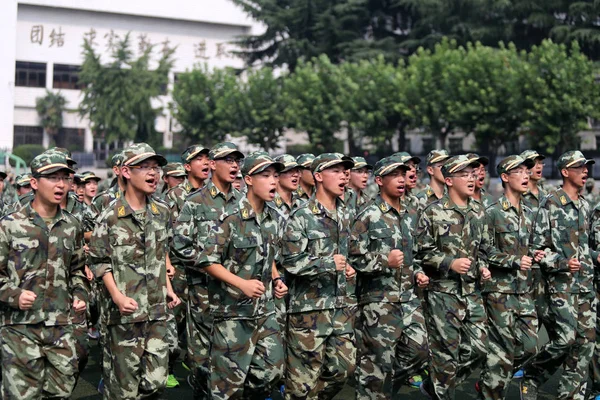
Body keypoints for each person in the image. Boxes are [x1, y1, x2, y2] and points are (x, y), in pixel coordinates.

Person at [89, 143, 181, 399]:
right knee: (124, 390)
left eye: (156, 167)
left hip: (156, 312)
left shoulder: (161, 211)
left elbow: (160, 254)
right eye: (146, 167)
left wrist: (169, 289)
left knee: (156, 383)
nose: (154, 173)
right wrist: (117, 297)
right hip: (124, 316)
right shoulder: (110, 216)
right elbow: (99, 262)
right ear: (127, 172)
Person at [197, 152, 287, 399]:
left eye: (276, 176)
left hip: (264, 309)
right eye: (266, 175)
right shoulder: (230, 216)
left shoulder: (274, 218)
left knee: (273, 371)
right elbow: (207, 259)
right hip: (232, 312)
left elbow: (268, 257)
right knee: (227, 389)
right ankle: (209, 378)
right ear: (249, 179)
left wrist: (276, 279)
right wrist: (241, 284)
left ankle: (214, 376)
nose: (273, 181)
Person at [0, 152, 88, 399]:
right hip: (19, 328)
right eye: (52, 177)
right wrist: (13, 295)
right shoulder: (10, 225)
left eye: (64, 178)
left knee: (60, 393)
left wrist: (80, 295)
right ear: (35, 183)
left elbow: (78, 270)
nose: (61, 184)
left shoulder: (72, 226)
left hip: (60, 328)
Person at [350, 156, 429, 399]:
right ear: (380, 180)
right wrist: (385, 260)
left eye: (404, 175)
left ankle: (383, 386)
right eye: (395, 175)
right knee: (377, 362)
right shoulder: (367, 215)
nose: (402, 180)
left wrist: (418, 272)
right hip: (377, 301)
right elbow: (353, 258)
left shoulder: (408, 213)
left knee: (420, 349)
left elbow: (412, 255)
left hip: (406, 297)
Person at [521, 150, 597, 400]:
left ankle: (571, 395)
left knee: (585, 344)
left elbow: (586, 246)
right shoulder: (551, 202)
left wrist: (595, 256)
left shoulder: (586, 205)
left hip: (586, 285)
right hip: (561, 287)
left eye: (586, 167)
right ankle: (532, 373)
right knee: (565, 340)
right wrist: (562, 262)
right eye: (579, 167)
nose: (585, 171)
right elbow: (537, 249)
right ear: (565, 172)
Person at [171, 142, 244, 400]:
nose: (235, 165)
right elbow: (179, 245)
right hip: (202, 291)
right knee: (202, 359)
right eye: (228, 160)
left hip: (236, 293)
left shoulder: (244, 202)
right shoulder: (194, 202)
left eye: (237, 160)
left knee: (233, 358)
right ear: (213, 165)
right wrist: (208, 264)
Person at [416, 154, 491, 400]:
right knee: (445, 356)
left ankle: (433, 383)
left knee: (479, 349)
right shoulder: (432, 213)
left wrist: (482, 267)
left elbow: (483, 248)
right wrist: (450, 263)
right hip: (442, 294)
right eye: (464, 175)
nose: (472, 179)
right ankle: (440, 391)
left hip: (471, 292)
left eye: (473, 174)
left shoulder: (479, 211)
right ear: (448, 180)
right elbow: (421, 252)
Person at [282, 153, 357, 400]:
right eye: (335, 170)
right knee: (302, 384)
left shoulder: (347, 213)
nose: (343, 176)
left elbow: (352, 252)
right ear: (318, 176)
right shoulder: (301, 215)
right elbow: (291, 263)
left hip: (340, 308)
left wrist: (350, 266)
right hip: (308, 311)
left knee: (344, 369)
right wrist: (328, 263)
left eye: (345, 171)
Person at [479, 155, 543, 400]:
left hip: (524, 290)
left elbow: (534, 245)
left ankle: (491, 380)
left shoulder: (529, 213)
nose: (526, 175)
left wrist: (536, 253)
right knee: (501, 351)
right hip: (499, 292)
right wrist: (513, 260)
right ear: (505, 177)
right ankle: (490, 392)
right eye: (519, 171)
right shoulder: (492, 213)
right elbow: (484, 251)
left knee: (530, 347)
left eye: (528, 171)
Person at [520, 150, 549, 333]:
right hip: (526, 270)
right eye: (533, 163)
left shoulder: (547, 197)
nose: (538, 167)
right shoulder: (519, 196)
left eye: (540, 163)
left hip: (548, 269)